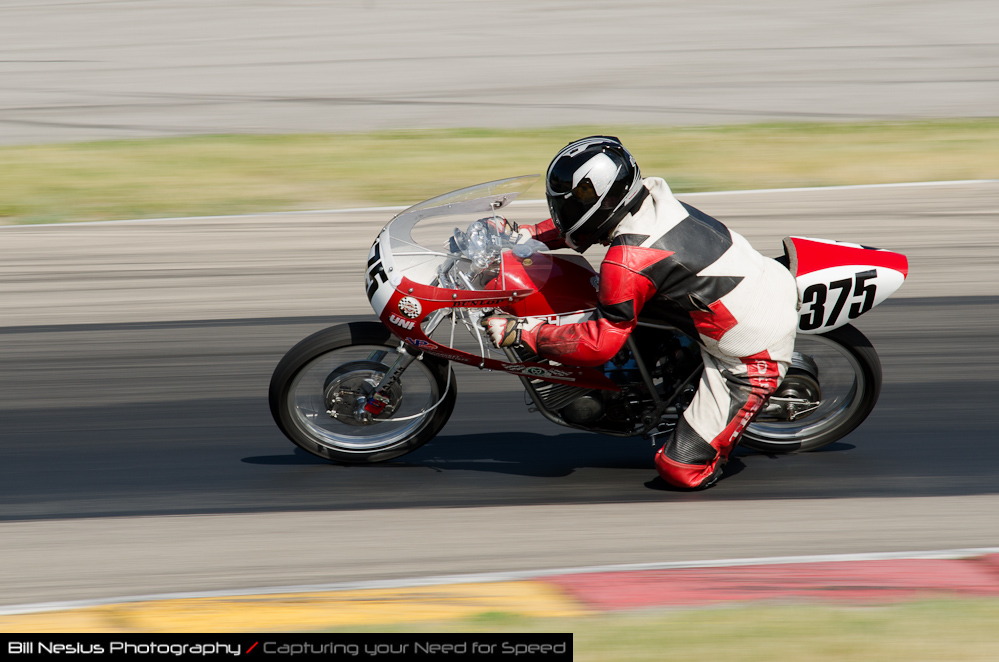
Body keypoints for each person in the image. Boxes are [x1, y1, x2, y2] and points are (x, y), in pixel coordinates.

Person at [481, 136, 798, 489]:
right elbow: (583, 226)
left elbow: (599, 344)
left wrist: (524, 333)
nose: (567, 211)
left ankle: (727, 424)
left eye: (576, 203)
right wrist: (525, 234)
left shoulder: (630, 259)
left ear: (608, 198)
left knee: (679, 471)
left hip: (751, 352)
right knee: (615, 308)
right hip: (748, 288)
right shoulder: (650, 195)